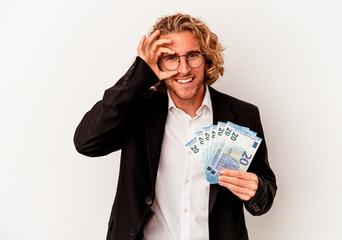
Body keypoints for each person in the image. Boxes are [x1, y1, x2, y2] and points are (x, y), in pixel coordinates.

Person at [74, 13, 277, 240]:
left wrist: (256, 190)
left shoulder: (243, 115)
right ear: (157, 64)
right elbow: (86, 142)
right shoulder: (138, 109)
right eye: (171, 58)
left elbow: (266, 194)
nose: (183, 69)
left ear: (207, 58)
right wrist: (139, 75)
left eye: (192, 55)